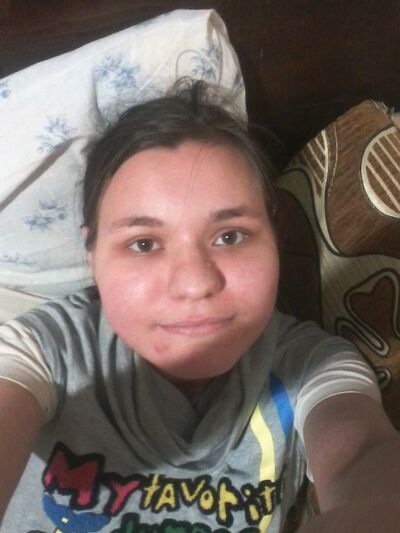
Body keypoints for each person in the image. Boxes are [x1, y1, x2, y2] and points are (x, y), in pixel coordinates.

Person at [0, 80, 398, 533]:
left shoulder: (309, 364)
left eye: (230, 236)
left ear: (275, 238)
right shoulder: (45, 350)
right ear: (92, 256)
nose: (195, 284)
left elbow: (362, 453)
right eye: (144, 243)